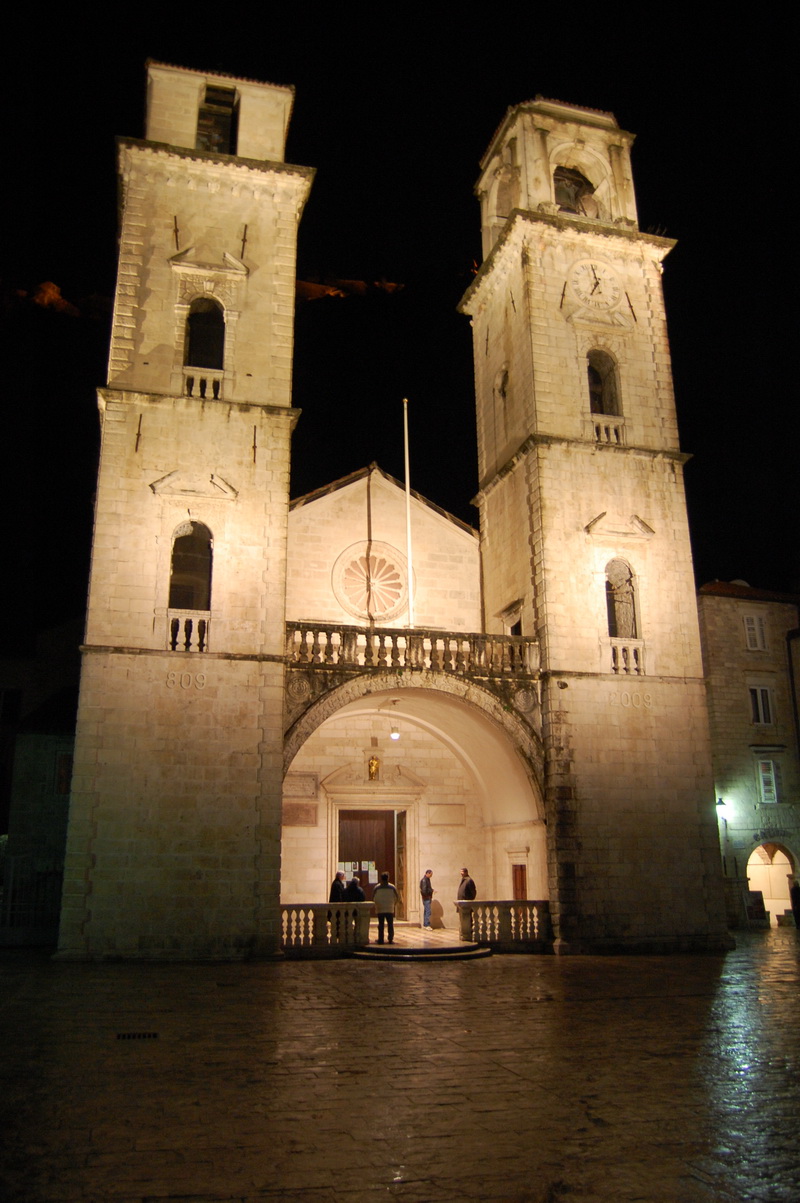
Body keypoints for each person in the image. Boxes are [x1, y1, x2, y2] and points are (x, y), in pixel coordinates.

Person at [372, 872, 399, 944]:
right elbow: (397, 898)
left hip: (380, 909)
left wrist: (376, 905)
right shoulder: (392, 887)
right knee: (390, 925)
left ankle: (381, 939)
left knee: (381, 925)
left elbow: (373, 897)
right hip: (390, 909)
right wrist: (393, 904)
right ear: (388, 878)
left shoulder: (377, 887)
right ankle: (390, 939)